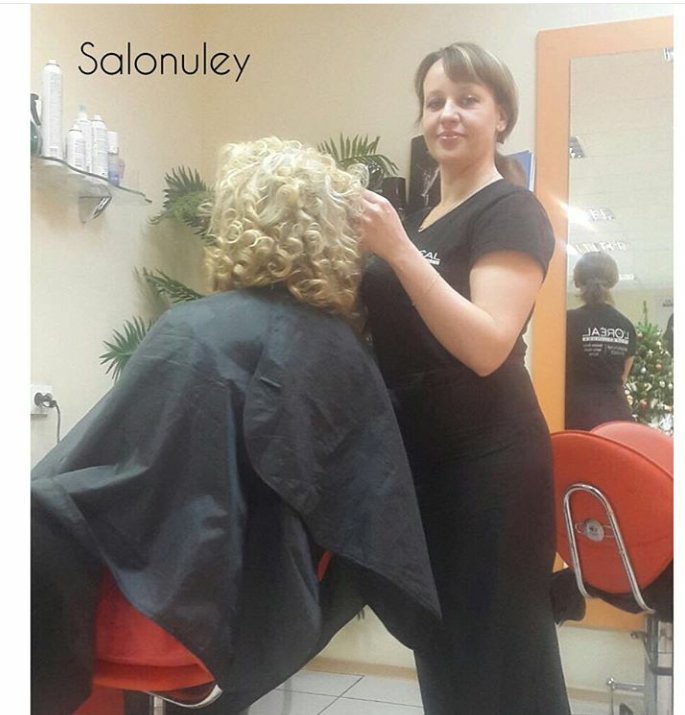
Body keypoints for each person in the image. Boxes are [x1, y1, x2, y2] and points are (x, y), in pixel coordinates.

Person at [31, 138, 440, 715]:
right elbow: (368, 515)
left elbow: (107, 472)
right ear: (334, 237)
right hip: (266, 608)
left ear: (238, 223)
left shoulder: (190, 329)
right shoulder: (342, 354)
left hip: (139, 611)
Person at [359, 42, 570, 714]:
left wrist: (395, 250)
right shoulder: (421, 220)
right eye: (434, 102)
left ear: (500, 115)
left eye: (467, 99)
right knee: (444, 649)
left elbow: (485, 345)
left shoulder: (510, 210)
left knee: (500, 658)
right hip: (424, 460)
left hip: (489, 464)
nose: (447, 114)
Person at [565, 250, 637, 430]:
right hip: (617, 415)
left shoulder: (566, 322)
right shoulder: (626, 325)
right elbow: (623, 377)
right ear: (613, 281)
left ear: (577, 281)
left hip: (576, 414)